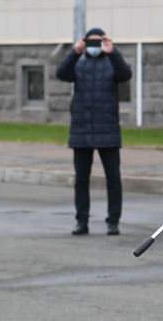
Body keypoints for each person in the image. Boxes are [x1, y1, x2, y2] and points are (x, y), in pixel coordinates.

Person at [56, 26, 132, 235]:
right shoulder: (79, 64)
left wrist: (112, 51)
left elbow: (126, 75)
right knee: (81, 179)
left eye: (98, 42)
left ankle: (113, 221)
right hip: (82, 131)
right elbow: (61, 73)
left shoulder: (111, 63)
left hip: (107, 131)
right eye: (91, 42)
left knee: (113, 178)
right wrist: (75, 51)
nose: (95, 47)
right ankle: (82, 221)